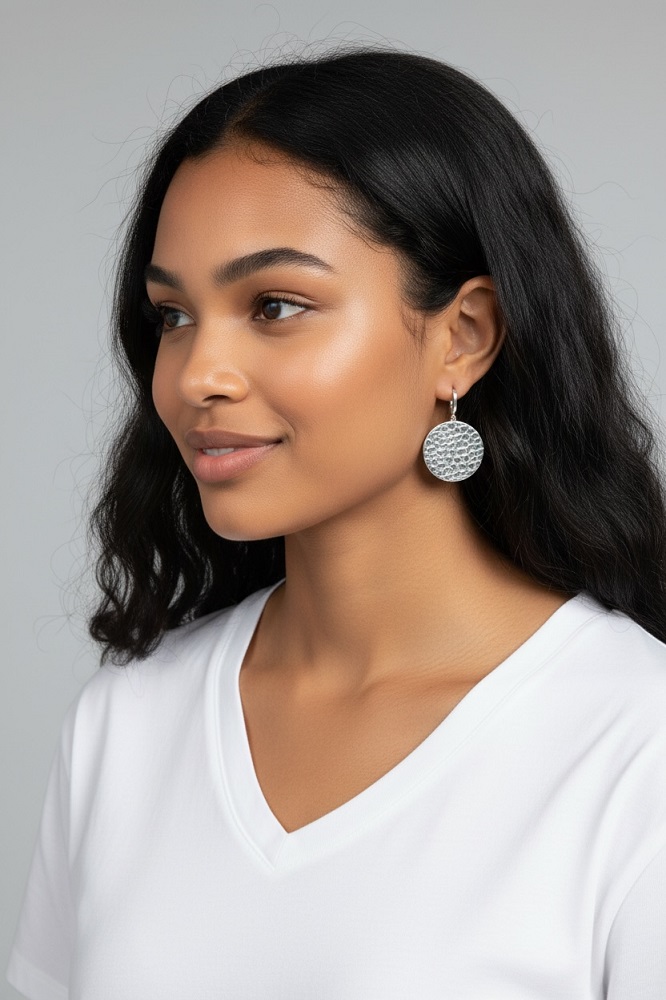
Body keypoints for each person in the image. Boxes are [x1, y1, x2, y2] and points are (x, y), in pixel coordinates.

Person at [6, 44, 666, 1000]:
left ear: (463, 337)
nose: (196, 377)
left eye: (275, 305)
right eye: (173, 316)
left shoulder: (634, 742)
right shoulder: (129, 724)